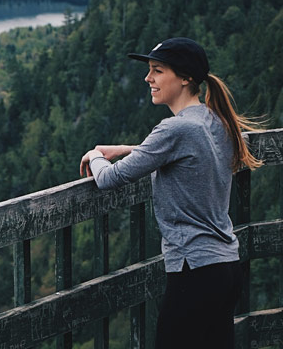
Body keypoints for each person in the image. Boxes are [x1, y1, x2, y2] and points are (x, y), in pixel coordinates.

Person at [79, 37, 262, 348]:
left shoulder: (175, 129)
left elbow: (110, 179)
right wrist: (128, 148)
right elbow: (184, 154)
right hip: (226, 268)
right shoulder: (214, 120)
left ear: (185, 78)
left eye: (157, 70)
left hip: (194, 271)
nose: (148, 78)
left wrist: (94, 155)